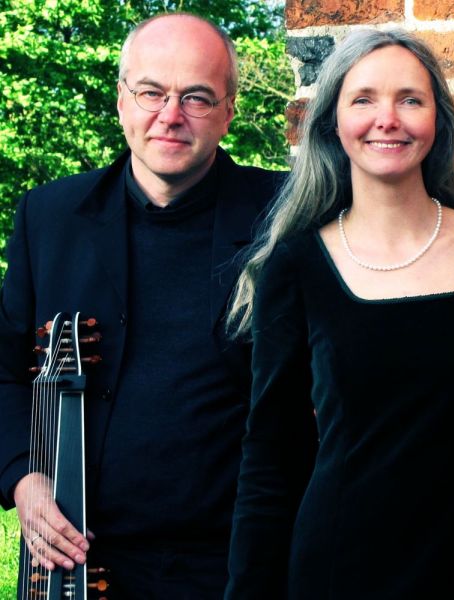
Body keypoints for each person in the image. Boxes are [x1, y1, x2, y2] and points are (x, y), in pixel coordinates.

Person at [0, 12, 285, 600]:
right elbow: (3, 371)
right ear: (122, 101)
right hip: (81, 562)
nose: (170, 115)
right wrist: (22, 477)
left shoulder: (286, 216)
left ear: (229, 112)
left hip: (239, 564)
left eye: (196, 97)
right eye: (151, 92)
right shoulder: (47, 217)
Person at [224, 28, 454, 599]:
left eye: (410, 99)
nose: (387, 119)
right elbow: (271, 458)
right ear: (333, 122)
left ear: (439, 120)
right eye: (364, 99)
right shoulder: (295, 268)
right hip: (339, 573)